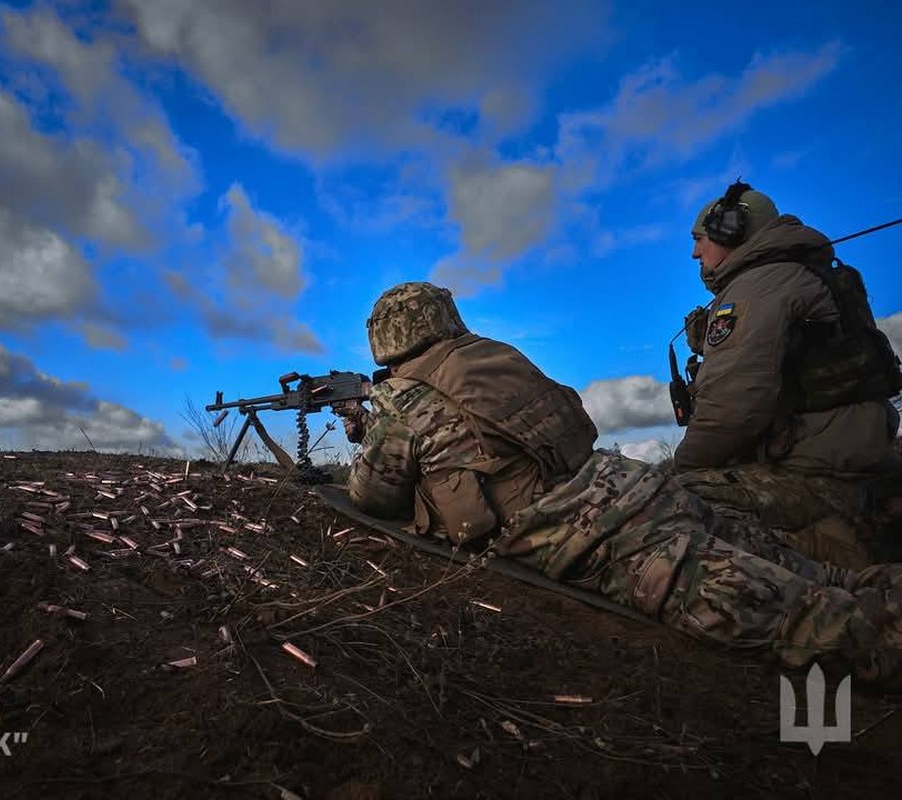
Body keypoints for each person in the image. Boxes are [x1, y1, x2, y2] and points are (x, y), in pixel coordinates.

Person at [342, 281, 902, 690]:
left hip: (585, 534)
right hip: (624, 484)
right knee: (810, 572)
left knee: (786, 617)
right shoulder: (496, 357)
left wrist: (368, 427)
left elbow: (374, 496)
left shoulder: (404, 399)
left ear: (384, 341)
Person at [673, 181, 901, 568]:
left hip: (815, 474)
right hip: (853, 458)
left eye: (700, 238)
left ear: (732, 228)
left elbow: (732, 408)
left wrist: (684, 467)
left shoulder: (759, 285)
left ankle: (843, 552)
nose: (695, 252)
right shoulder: (800, 273)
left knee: (666, 501)